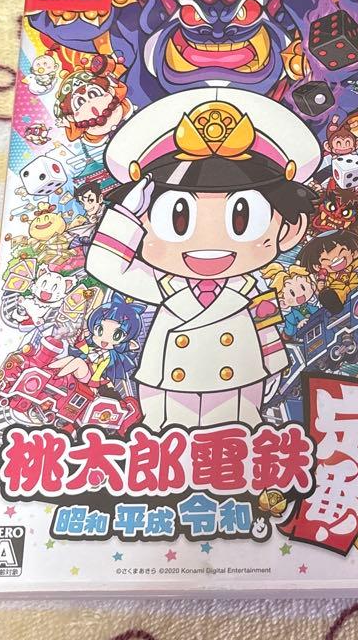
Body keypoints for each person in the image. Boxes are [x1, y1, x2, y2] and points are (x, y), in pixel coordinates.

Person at [86, 88, 320, 429]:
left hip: (239, 384)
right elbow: (104, 264)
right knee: (164, 441)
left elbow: (267, 333)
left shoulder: (252, 289)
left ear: (289, 229)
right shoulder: (162, 284)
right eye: (176, 217)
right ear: (142, 223)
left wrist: (270, 376)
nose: (209, 241)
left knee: (239, 436)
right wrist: (124, 215)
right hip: (166, 384)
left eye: (243, 217)